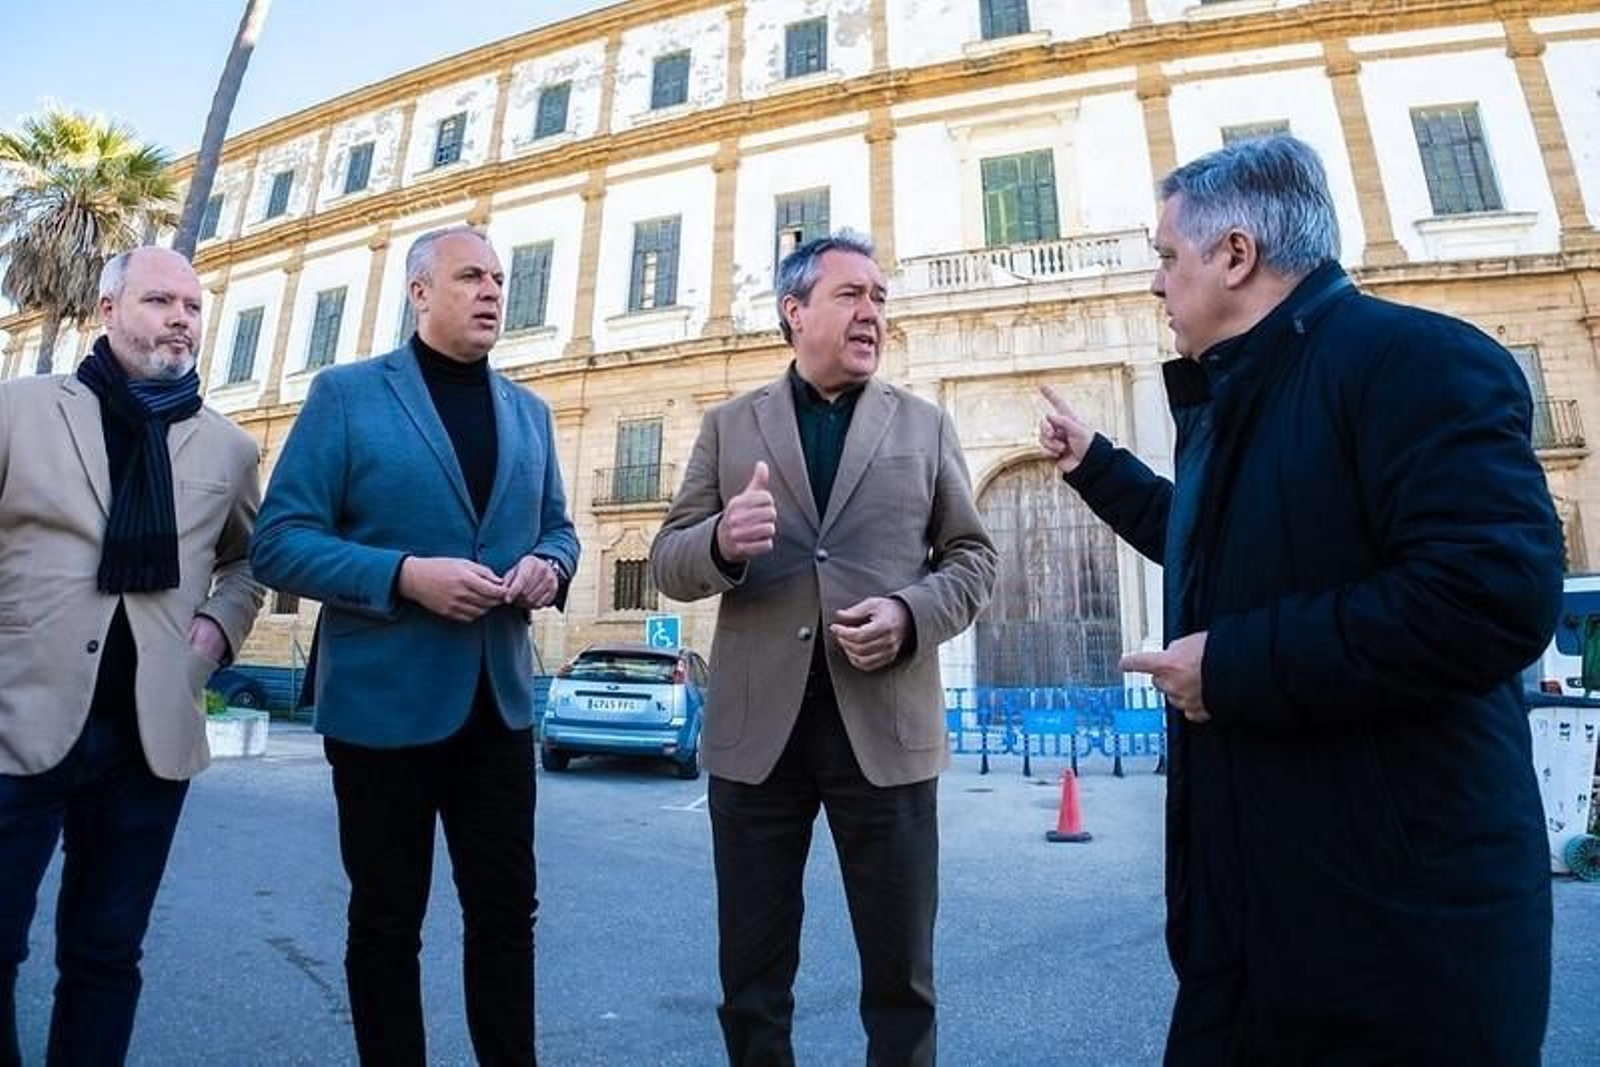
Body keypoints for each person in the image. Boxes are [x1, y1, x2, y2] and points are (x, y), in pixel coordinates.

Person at [1039, 136, 1564, 1064]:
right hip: (1249, 930)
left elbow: (1487, 595)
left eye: (1167, 257)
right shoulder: (1238, 404)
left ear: (1235, 255)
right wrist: (1097, 466)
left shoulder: (1420, 361)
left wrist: (1232, 668)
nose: (1156, 285)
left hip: (1397, 948)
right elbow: (1223, 549)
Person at [652, 231, 998, 1066]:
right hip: (755, 738)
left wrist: (912, 615)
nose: (872, 311)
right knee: (753, 977)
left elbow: (974, 558)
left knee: (902, 980)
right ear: (794, 311)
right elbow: (668, 559)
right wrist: (724, 543)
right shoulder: (730, 425)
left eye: (879, 296)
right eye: (851, 295)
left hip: (886, 729)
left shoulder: (923, 423)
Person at [251, 226, 578, 1066]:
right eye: (471, 275)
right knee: (388, 918)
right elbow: (279, 541)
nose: (493, 291)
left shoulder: (532, 413)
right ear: (420, 292)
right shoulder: (347, 395)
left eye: (500, 278)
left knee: (507, 913)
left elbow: (561, 530)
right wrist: (403, 574)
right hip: (382, 706)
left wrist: (549, 564)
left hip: (497, 703)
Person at [0, 247, 264, 1066]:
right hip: (16, 721)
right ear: (108, 309)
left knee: (107, 956)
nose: (181, 317)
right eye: (159, 300)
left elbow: (251, 560)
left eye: (192, 305)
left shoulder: (228, 447)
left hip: (148, 738)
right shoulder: (21, 410)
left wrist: (217, 631)